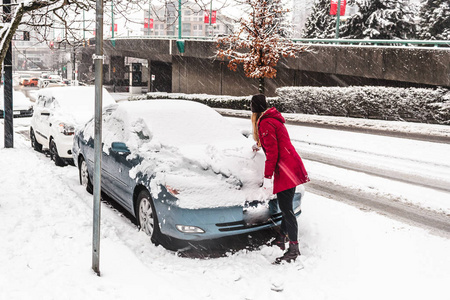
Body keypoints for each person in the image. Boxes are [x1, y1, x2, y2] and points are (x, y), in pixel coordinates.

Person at [250, 94, 310, 264]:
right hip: (290, 164)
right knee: (286, 207)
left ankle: (294, 248)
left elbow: (273, 153)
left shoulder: (265, 122)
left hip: (285, 169)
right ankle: (281, 238)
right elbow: (273, 142)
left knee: (287, 210)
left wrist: (267, 177)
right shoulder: (271, 119)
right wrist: (258, 145)